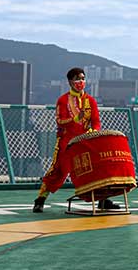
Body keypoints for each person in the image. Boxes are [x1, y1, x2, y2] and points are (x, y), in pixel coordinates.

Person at [33, 67, 119, 212]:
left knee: (97, 168)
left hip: (86, 141)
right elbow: (60, 121)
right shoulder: (62, 100)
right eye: (78, 78)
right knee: (59, 171)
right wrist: (75, 119)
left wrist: (93, 131)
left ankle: (102, 199)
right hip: (67, 142)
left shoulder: (90, 100)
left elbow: (96, 121)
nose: (81, 81)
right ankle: (40, 199)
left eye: (83, 78)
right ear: (70, 82)